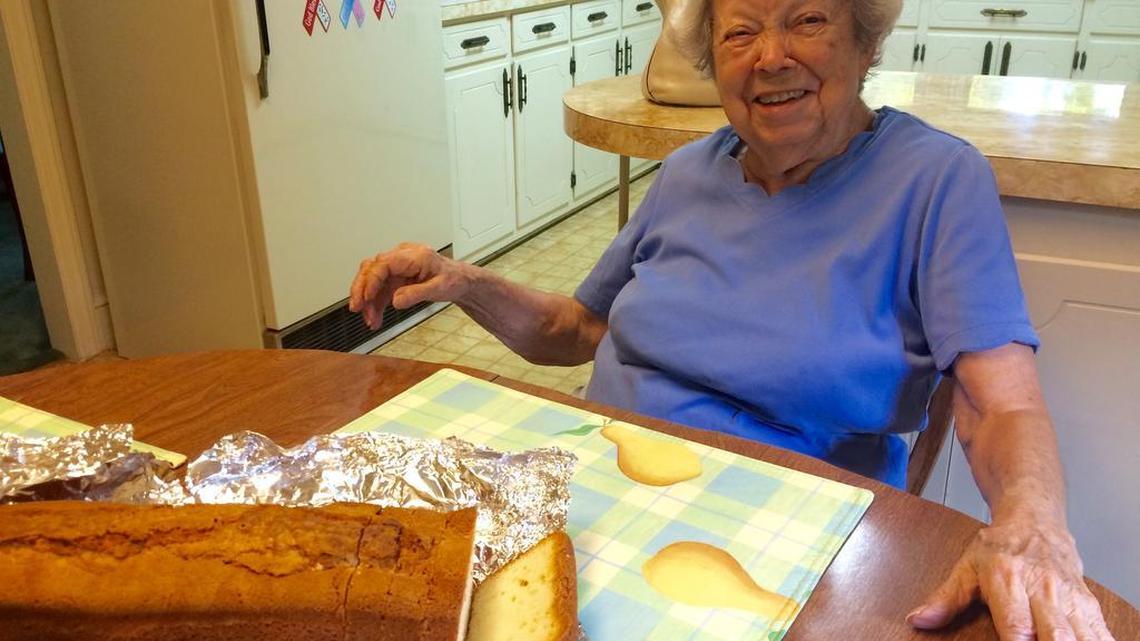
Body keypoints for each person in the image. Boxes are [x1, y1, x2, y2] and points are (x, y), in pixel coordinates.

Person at [349, 0, 1115, 638]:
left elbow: (1001, 401)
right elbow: (578, 330)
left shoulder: (936, 179)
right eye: (740, 32)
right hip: (598, 506)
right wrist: (461, 281)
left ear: (864, 38)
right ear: (712, 62)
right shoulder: (687, 172)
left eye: (807, 19)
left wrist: (1033, 523)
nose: (772, 56)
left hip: (785, 549)